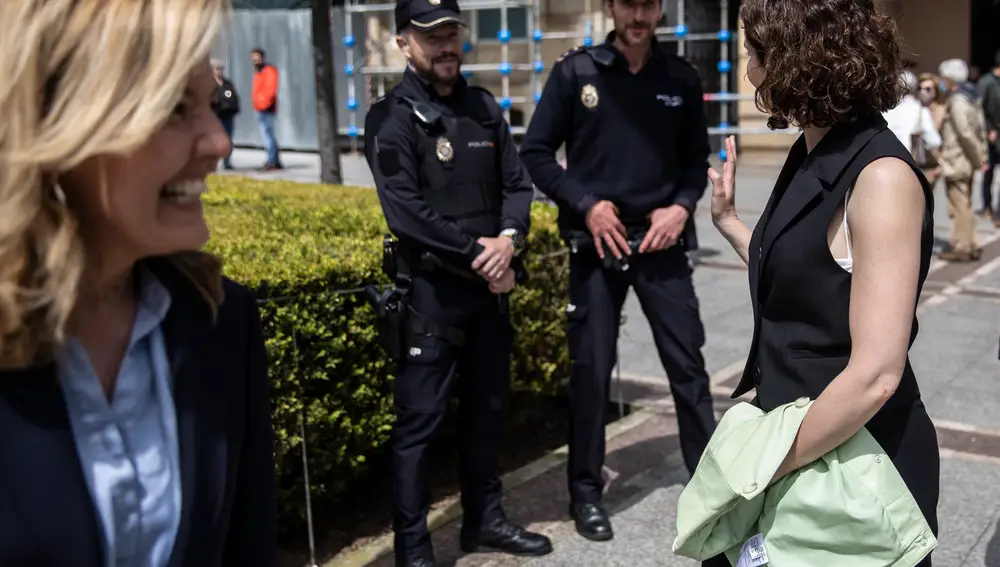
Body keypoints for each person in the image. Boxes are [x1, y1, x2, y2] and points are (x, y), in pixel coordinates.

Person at [0, 0, 277, 566]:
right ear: (55, 120)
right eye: (175, 108)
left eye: (211, 104)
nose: (219, 143)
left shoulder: (221, 322)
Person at [710, 0, 939, 565]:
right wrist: (732, 225)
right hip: (808, 443)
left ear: (795, 59)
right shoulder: (814, 151)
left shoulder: (880, 176)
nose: (748, 71)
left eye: (753, 54)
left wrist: (765, 462)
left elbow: (875, 376)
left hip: (856, 469)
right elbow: (811, 280)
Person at [519, 0, 717, 545]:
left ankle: (712, 488)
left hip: (660, 242)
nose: (639, 14)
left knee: (688, 368)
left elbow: (695, 160)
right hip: (595, 243)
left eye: (648, 4)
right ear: (610, 7)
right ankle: (585, 493)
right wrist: (585, 202)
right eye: (628, 3)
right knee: (590, 372)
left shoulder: (680, 75)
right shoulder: (576, 71)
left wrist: (680, 206)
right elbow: (534, 152)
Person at [362, 1, 552, 565]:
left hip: (489, 297)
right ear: (403, 44)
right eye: (431, 36)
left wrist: (510, 240)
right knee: (418, 427)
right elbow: (406, 212)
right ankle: (413, 548)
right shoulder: (390, 117)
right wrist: (480, 254)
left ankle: (484, 521)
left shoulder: (484, 108)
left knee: (488, 412)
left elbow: (518, 186)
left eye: (451, 33)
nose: (446, 44)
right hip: (431, 298)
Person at [251, 47, 283, 170]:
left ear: (262, 58)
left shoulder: (268, 71)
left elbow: (270, 90)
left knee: (267, 135)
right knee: (269, 135)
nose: (254, 61)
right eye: (253, 59)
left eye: (256, 58)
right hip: (260, 108)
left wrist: (262, 103)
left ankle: (272, 160)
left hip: (266, 108)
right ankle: (275, 159)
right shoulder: (258, 72)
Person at [211, 58, 241, 170]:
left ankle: (227, 162)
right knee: (214, 140)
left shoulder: (226, 85)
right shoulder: (209, 84)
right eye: (217, 69)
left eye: (221, 69)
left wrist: (228, 105)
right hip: (215, 116)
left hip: (226, 116)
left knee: (227, 139)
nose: (220, 71)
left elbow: (229, 96)